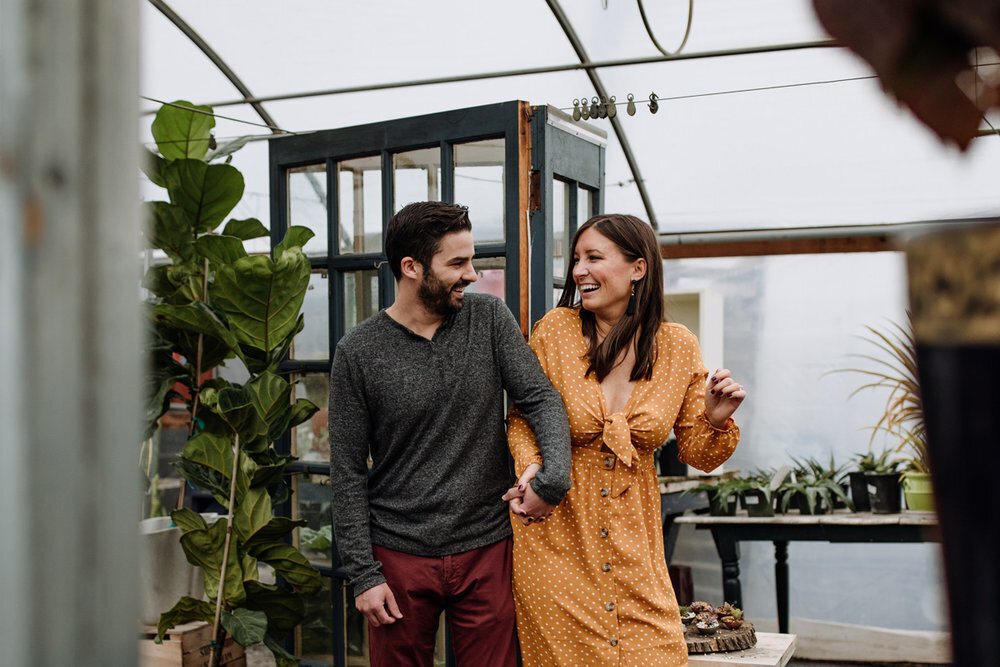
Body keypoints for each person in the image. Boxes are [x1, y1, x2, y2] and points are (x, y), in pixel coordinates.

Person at [329, 201, 571, 667]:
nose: (473, 274)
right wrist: (363, 574)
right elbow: (346, 473)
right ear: (411, 267)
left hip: (487, 547)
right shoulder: (357, 352)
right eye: (457, 263)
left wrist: (553, 479)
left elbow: (540, 398)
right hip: (398, 554)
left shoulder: (489, 320)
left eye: (472, 260)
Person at [503, 214, 746, 666]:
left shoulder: (676, 345)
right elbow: (521, 417)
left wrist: (714, 419)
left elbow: (697, 453)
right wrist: (532, 469)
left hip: (637, 548)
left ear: (638, 268)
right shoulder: (555, 331)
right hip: (556, 539)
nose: (579, 270)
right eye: (576, 259)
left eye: (594, 257)